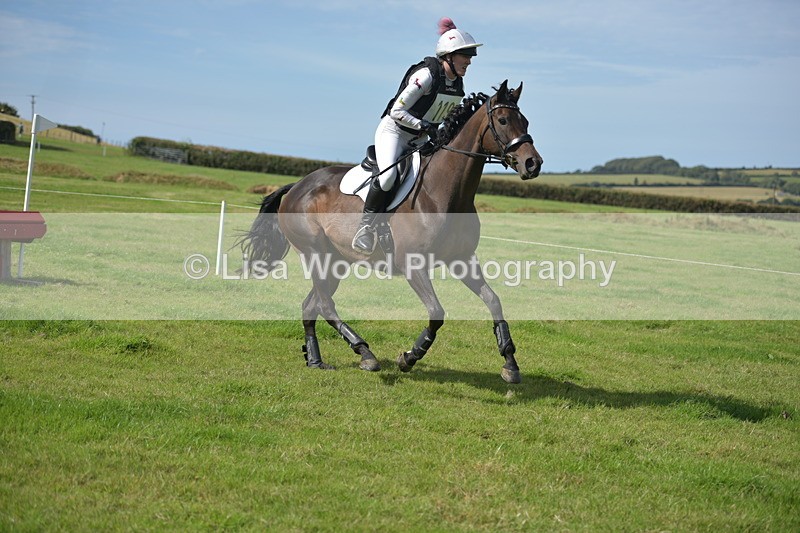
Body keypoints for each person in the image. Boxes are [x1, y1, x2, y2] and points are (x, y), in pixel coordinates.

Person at [351, 17, 482, 254]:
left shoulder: (457, 86)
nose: (470, 61)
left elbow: (441, 117)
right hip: (394, 132)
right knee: (389, 176)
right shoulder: (426, 76)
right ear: (449, 56)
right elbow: (396, 111)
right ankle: (366, 227)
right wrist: (423, 125)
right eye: (466, 55)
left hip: (420, 139)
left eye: (471, 55)